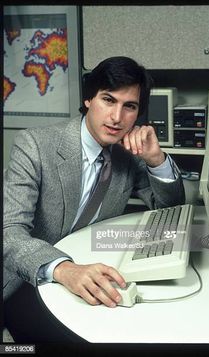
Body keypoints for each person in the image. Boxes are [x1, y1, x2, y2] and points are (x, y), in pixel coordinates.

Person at [4, 56, 185, 342]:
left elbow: (169, 211)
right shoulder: (35, 145)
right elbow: (8, 232)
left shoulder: (127, 153)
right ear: (89, 98)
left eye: (130, 106)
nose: (116, 117)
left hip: (89, 266)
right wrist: (64, 269)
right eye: (108, 100)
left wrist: (156, 159)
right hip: (26, 278)